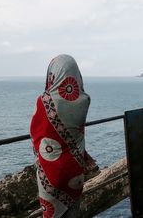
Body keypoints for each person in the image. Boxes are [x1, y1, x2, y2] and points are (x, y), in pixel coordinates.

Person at [30, 54, 95, 218]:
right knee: (73, 210)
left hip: (51, 173)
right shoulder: (84, 100)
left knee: (53, 213)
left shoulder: (44, 100)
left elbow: (36, 132)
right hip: (74, 170)